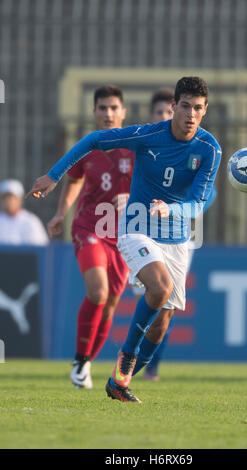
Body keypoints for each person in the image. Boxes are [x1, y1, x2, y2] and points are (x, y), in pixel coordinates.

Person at [26, 76, 222, 404]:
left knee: (162, 322)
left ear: (204, 111)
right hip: (135, 228)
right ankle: (126, 354)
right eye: (185, 106)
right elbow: (93, 139)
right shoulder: (148, 135)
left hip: (174, 237)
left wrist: (172, 209)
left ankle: (120, 381)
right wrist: (53, 175)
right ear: (174, 107)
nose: (190, 114)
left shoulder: (209, 149)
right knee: (157, 289)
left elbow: (198, 204)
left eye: (198, 108)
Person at [47, 85, 135, 389]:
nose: (108, 113)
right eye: (102, 108)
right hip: (89, 229)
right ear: (94, 112)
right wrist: (60, 213)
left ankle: (85, 362)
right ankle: (79, 361)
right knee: (97, 292)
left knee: (110, 304)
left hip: (123, 237)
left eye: (113, 108)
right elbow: (73, 182)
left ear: (123, 112)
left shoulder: (136, 148)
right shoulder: (87, 147)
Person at [140, 88, 217, 381]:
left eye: (197, 109)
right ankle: (131, 357)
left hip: (181, 235)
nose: (164, 116)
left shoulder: (200, 149)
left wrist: (178, 209)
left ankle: (151, 366)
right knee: (152, 297)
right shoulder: (148, 147)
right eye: (159, 113)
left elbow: (206, 196)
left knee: (166, 303)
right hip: (144, 232)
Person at [0, 179, 48, 245]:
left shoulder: (31, 221)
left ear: (19, 199)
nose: (8, 201)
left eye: (12, 198)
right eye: (5, 197)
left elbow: (39, 249)